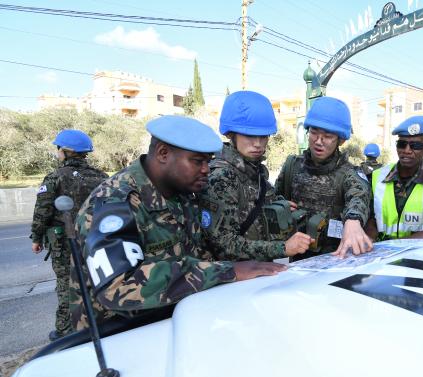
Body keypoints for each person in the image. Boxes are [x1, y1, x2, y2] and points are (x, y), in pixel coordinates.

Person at [70, 115, 284, 330]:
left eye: (208, 161)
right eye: (198, 161)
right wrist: (228, 272)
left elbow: (197, 254)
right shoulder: (113, 203)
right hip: (119, 337)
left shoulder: (182, 194)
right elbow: (118, 285)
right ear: (163, 153)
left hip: (175, 323)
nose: (206, 170)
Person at [201, 90, 312, 261]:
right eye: (250, 135)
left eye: (263, 136)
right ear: (231, 134)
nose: (258, 144)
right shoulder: (221, 177)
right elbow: (224, 246)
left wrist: (279, 205)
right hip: (234, 279)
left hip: (258, 273)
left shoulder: (255, 171)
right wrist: (283, 248)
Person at [30, 129, 108, 341]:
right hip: (95, 240)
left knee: (66, 284)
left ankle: (65, 332)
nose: (57, 153)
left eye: (58, 149)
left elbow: (42, 212)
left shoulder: (54, 177)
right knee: (96, 279)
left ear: (65, 151)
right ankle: (100, 322)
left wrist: (36, 238)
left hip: (65, 243)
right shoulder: (101, 177)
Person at [275, 96, 372, 258]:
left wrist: (353, 220)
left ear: (340, 140)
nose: (318, 141)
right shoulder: (292, 165)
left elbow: (359, 197)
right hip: (296, 259)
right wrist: (281, 205)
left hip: (334, 258)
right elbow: (273, 199)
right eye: (314, 133)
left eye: (327, 136)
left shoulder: (349, 173)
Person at [366, 115, 423, 240]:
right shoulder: (377, 176)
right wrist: (370, 239)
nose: (407, 150)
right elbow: (370, 218)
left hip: (419, 255)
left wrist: (399, 246)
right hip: (381, 254)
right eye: (402, 144)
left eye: (416, 146)